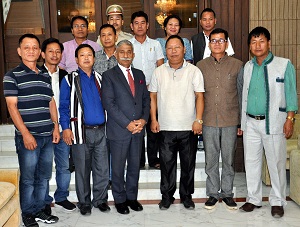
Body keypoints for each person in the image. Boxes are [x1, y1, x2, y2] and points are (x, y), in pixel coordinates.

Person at [239, 26, 298, 218]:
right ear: (249, 45)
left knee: (276, 163)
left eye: (261, 41)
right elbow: (244, 96)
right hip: (250, 124)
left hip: (274, 122)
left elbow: (291, 94)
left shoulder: (283, 64)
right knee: (252, 162)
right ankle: (253, 199)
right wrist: (242, 123)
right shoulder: (247, 67)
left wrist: (290, 119)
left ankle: (278, 201)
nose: (257, 45)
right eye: (253, 42)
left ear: (269, 43)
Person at [3, 34, 60, 227]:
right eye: (26, 47)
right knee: (28, 178)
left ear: (39, 52)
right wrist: (25, 134)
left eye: (35, 47)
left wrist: (56, 126)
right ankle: (27, 213)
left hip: (47, 135)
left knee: (43, 176)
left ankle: (39, 210)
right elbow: (12, 107)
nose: (31, 50)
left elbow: (51, 102)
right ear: (19, 51)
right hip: (28, 136)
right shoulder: (11, 76)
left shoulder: (45, 75)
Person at [149, 35, 205, 210]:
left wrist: (198, 120)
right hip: (165, 127)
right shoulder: (158, 71)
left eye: (177, 47)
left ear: (184, 49)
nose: (173, 51)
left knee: (188, 165)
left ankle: (186, 196)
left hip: (188, 127)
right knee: (166, 166)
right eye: (170, 48)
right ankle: (167, 196)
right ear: (165, 51)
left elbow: (200, 96)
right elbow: (152, 96)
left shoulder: (194, 71)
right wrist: (154, 119)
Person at [59, 44, 110, 216]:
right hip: (80, 131)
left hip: (101, 131)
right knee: (82, 169)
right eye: (82, 55)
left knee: (102, 168)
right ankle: (84, 202)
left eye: (90, 54)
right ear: (76, 59)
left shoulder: (101, 78)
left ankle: (100, 200)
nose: (87, 58)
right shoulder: (68, 79)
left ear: (94, 59)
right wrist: (65, 128)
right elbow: (64, 106)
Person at [196, 28, 243, 210]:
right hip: (208, 119)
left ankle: (228, 193)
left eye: (221, 40)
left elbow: (241, 94)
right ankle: (213, 194)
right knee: (211, 159)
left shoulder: (237, 65)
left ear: (226, 43)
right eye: (214, 40)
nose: (217, 43)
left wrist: (241, 122)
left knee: (229, 159)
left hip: (230, 119)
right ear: (209, 44)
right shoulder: (201, 65)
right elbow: (197, 95)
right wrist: (198, 120)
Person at [101, 40, 150, 215]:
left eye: (129, 51)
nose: (126, 54)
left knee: (134, 166)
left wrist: (143, 120)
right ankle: (120, 200)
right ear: (116, 54)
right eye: (122, 51)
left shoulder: (140, 74)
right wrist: (127, 124)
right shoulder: (109, 75)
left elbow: (145, 100)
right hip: (119, 130)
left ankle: (131, 198)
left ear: (133, 54)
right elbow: (109, 103)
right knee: (118, 168)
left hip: (138, 130)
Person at [40, 38, 76, 214]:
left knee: (64, 166)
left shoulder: (66, 75)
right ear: (43, 54)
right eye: (50, 51)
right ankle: (44, 200)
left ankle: (61, 197)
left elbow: (68, 103)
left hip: (63, 127)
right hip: (43, 128)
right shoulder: (37, 73)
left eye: (57, 52)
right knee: (45, 167)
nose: (54, 55)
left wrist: (67, 126)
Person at [130, 11, 164, 169]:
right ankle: (138, 160)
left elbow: (161, 67)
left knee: (152, 125)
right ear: (131, 26)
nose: (140, 26)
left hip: (153, 92)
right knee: (137, 126)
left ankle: (153, 158)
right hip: (134, 93)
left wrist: (156, 86)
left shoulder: (155, 44)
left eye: (142, 22)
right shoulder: (128, 45)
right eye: (136, 23)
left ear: (148, 25)